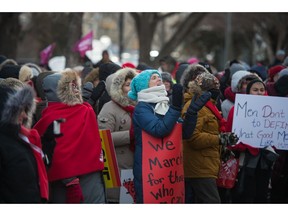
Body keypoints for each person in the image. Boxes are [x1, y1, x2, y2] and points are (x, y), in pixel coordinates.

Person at [33, 69, 105, 203]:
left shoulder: (84, 110)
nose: (76, 90)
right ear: (59, 90)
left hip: (87, 177)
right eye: (70, 86)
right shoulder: (51, 117)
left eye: (75, 85)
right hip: (66, 182)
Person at [181, 72, 238, 203]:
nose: (217, 91)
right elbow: (193, 138)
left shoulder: (209, 105)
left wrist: (222, 147)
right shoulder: (196, 106)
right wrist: (220, 139)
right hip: (199, 167)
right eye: (213, 88)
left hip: (206, 164)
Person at [127, 69, 183, 203]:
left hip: (165, 166)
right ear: (144, 86)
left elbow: (181, 132)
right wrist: (175, 108)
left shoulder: (164, 104)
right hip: (149, 169)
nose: (159, 79)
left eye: (159, 77)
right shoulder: (142, 108)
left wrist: (192, 112)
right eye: (153, 78)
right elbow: (159, 129)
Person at [226, 79, 278, 203]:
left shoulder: (273, 110)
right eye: (255, 90)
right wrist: (245, 146)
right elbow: (230, 137)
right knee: (245, 194)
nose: (259, 93)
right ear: (248, 92)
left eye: (262, 90)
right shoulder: (237, 109)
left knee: (261, 195)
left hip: (265, 162)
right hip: (245, 161)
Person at [0, 85, 49, 203]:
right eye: (20, 110)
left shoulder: (19, 140)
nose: (25, 115)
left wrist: (49, 143)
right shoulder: (8, 145)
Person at [97, 68, 138, 203]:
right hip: (118, 167)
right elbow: (103, 138)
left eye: (133, 84)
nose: (131, 88)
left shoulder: (139, 106)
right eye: (127, 85)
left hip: (136, 164)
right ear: (118, 88)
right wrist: (130, 135)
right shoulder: (109, 108)